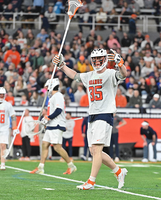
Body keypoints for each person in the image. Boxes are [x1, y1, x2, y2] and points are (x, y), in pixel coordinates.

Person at [53, 48, 128, 189]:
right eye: (95, 59)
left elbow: (123, 75)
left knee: (97, 150)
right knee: (94, 151)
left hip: (105, 114)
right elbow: (75, 75)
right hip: (92, 114)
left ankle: (91, 181)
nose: (98, 62)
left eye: (100, 59)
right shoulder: (90, 75)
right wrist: (62, 65)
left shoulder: (110, 73)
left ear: (105, 59)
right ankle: (119, 171)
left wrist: (120, 64)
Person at [30, 78, 77, 175]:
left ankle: (71, 166)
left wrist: (48, 117)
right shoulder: (53, 97)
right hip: (52, 124)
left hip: (57, 124)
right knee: (44, 144)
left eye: (47, 87)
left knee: (57, 147)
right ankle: (41, 167)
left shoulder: (58, 95)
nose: (46, 89)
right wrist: (46, 117)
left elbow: (59, 110)